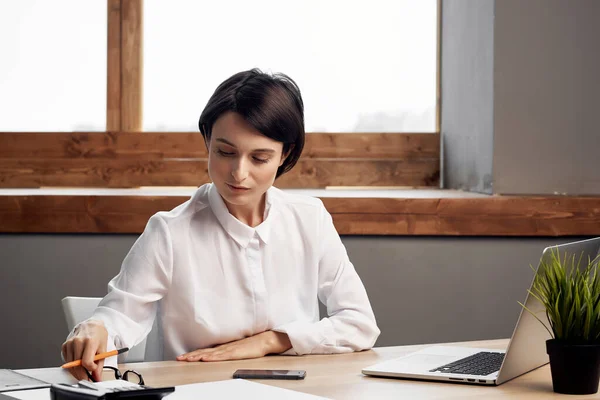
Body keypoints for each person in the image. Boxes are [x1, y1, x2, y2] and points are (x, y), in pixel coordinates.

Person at [62, 68, 380, 381]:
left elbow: (360, 324)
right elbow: (118, 315)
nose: (238, 173)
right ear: (207, 141)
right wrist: (94, 328)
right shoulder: (170, 232)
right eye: (225, 152)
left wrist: (270, 341)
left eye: (259, 158)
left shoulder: (310, 219)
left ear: (286, 154)